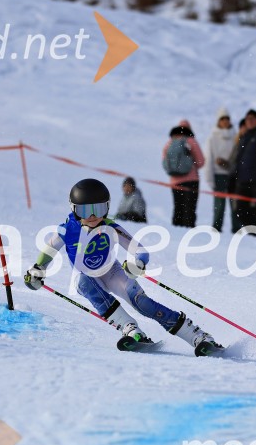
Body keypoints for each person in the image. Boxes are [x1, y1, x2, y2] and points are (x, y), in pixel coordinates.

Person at [24, 178, 222, 354]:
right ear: (74, 209)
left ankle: (197, 336)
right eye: (85, 210)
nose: (93, 216)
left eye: (99, 209)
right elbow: (49, 250)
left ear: (108, 208)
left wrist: (138, 264)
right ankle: (129, 328)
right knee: (84, 283)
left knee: (142, 303)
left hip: (112, 271)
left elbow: (141, 251)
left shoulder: (111, 228)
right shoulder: (67, 230)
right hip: (85, 275)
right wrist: (37, 270)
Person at [163, 120, 205, 228]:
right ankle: (189, 233)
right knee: (190, 209)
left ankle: (175, 233)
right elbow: (201, 161)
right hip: (191, 180)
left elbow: (164, 162)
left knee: (178, 208)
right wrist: (190, 165)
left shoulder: (169, 143)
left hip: (175, 181)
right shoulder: (191, 141)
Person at [203, 107, 236, 232]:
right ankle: (217, 229)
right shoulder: (212, 138)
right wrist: (210, 180)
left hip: (233, 176)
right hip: (218, 176)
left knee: (235, 205)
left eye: (227, 119)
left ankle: (236, 230)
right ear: (218, 121)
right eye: (222, 119)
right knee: (219, 206)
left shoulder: (235, 137)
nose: (225, 121)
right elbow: (209, 159)